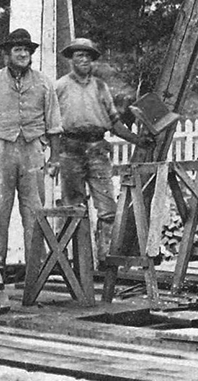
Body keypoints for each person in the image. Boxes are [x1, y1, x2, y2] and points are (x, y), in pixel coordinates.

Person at [0, 27, 62, 297]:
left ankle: (35, 279)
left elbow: (54, 125)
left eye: (26, 50)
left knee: (34, 213)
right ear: (7, 54)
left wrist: (54, 157)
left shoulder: (43, 84)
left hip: (32, 150)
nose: (22, 54)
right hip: (0, 151)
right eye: (17, 50)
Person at [50, 38, 140, 271]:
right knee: (72, 208)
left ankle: (106, 260)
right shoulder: (60, 87)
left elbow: (115, 122)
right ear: (71, 59)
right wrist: (53, 154)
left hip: (98, 149)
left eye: (88, 56)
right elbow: (49, 123)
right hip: (71, 150)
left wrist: (137, 140)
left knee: (107, 207)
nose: (84, 60)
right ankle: (69, 262)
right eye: (79, 55)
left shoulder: (100, 87)